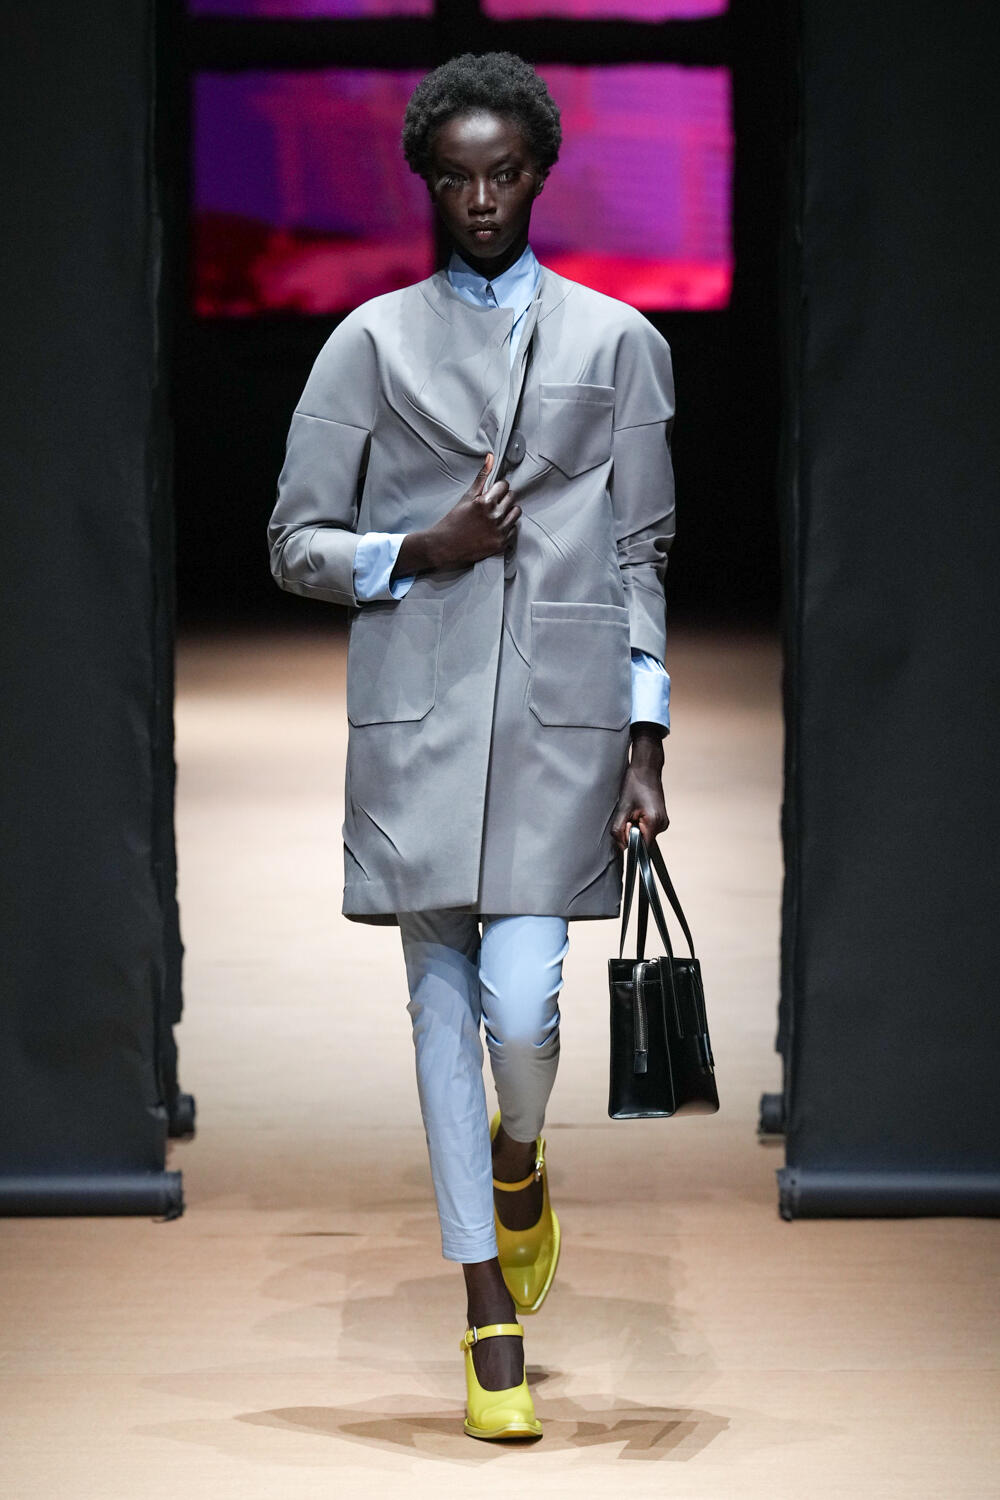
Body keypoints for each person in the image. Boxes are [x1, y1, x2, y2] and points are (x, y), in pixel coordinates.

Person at [268, 51, 675, 1442]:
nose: (484, 199)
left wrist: (646, 738)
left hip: (563, 727)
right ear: (429, 185)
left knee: (525, 1013)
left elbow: (640, 554)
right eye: (458, 178)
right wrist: (418, 548)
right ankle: (484, 1310)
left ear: (541, 174)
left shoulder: (620, 343)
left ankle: (520, 1153)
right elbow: (294, 543)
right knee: (441, 1012)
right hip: (421, 718)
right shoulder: (368, 345)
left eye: (504, 174)